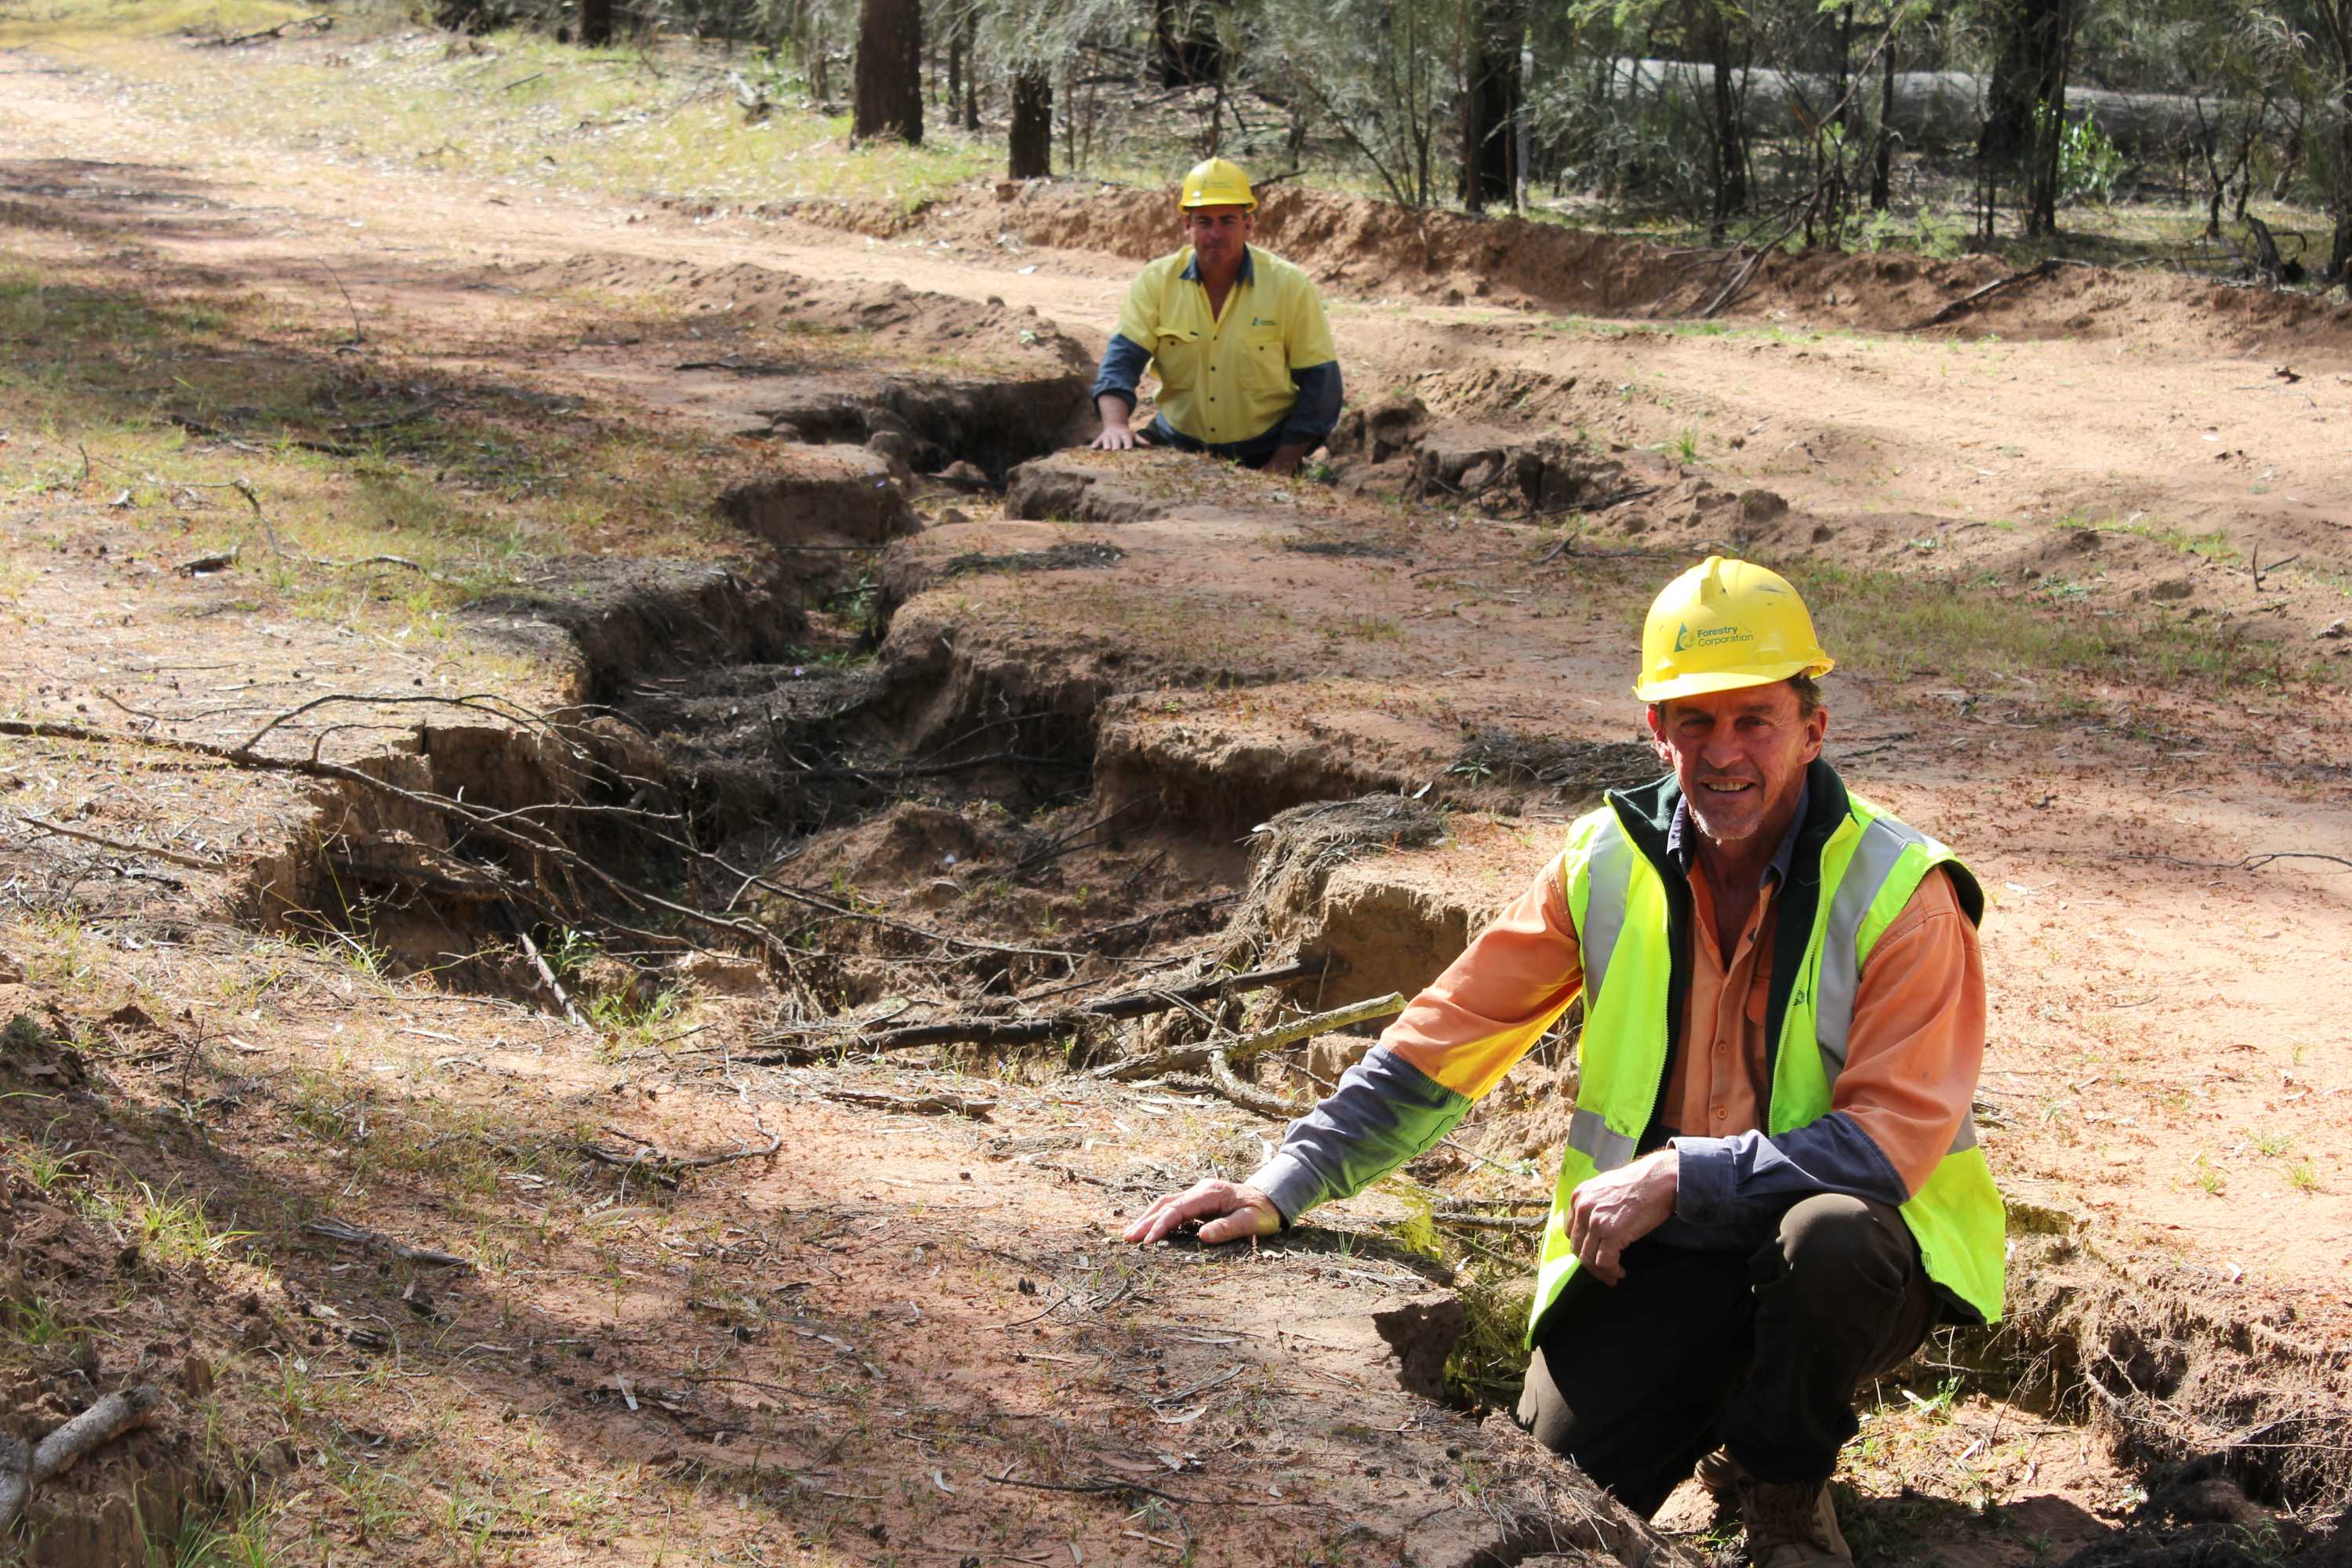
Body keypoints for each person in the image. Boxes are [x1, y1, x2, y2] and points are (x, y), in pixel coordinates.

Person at [1125, 557, 2005, 1568]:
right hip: (1659, 1249)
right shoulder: (1604, 860)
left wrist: (1683, 1171)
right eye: (1693, 720)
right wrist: (1287, 1180)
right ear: (1656, 730)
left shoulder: (1903, 889)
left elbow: (1886, 1147)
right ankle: (1722, 1390)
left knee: (1828, 1242)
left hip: (1852, 1250)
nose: (1723, 752)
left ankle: (1784, 1486)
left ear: (1813, 727)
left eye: (1754, 719)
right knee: (1564, 1492)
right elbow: (1447, 1034)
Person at [1088, 158, 1342, 477]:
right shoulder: (1157, 281)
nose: (1215, 234)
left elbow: (1322, 384)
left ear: (1248, 225)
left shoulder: (1289, 286)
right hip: (1176, 443)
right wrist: (1115, 425)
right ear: (1187, 226)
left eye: (1228, 221)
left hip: (1263, 451)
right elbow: (1122, 359)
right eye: (1204, 222)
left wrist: (1283, 462)